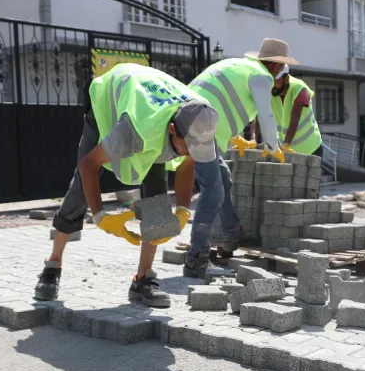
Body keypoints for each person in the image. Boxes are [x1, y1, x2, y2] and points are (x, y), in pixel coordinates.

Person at [35, 63, 219, 307]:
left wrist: (184, 210)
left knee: (157, 203)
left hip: (151, 111)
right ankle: (52, 265)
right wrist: (100, 216)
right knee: (81, 189)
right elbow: (89, 166)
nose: (191, 152)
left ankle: (143, 280)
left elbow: (187, 163)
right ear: (173, 130)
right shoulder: (137, 130)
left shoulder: (198, 118)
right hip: (108, 102)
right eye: (188, 146)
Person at [183, 38, 299, 278]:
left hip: (190, 118)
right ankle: (197, 259)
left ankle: (232, 234)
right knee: (212, 192)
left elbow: (220, 99)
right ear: (277, 66)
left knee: (223, 176)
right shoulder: (262, 76)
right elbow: (265, 113)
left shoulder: (238, 66)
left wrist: (235, 137)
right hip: (199, 124)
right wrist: (273, 145)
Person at [270, 66, 323, 157]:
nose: (273, 84)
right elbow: (259, 114)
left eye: (276, 81)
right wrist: (253, 140)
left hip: (311, 149)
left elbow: (295, 118)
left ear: (286, 79)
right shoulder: (271, 91)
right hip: (287, 150)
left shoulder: (300, 89)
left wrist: (285, 145)